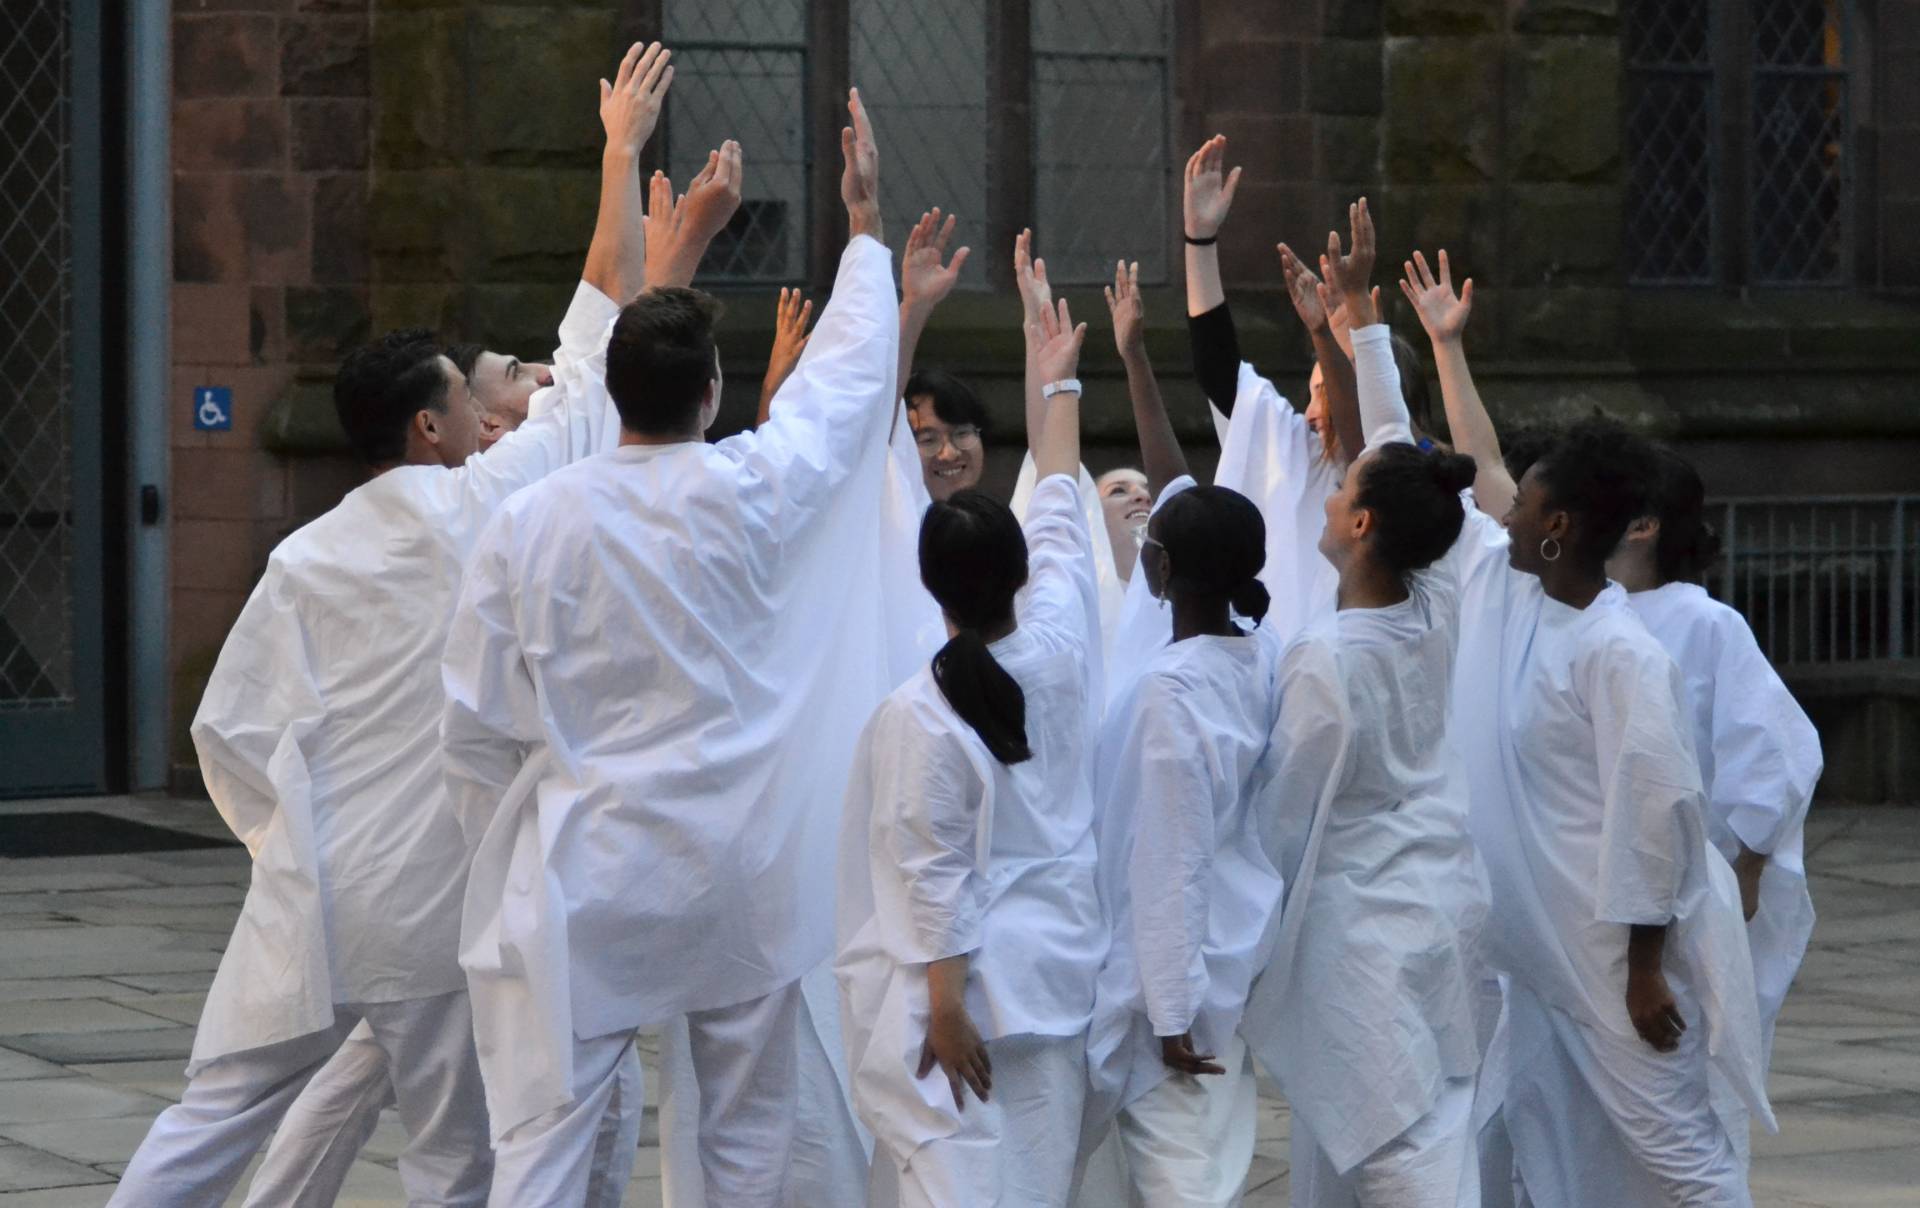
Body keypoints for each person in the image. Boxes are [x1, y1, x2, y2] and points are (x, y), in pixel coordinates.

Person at [108, 42, 675, 1208]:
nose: (486, 412)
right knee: (455, 1158)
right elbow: (592, 340)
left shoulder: (301, 554)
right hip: (430, 907)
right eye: (469, 400)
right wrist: (617, 152)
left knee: (214, 1112)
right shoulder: (476, 508)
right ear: (429, 428)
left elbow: (231, 730)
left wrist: (288, 845)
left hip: (320, 897)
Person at [441, 89, 900, 1207]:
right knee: (745, 1137)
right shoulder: (753, 484)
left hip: (597, 850)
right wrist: (865, 228)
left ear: (612, 395)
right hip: (740, 856)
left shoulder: (533, 518)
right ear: (713, 394)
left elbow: (481, 708)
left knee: (549, 1135)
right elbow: (840, 393)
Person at [1400, 248, 1773, 1206]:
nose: (1507, 510)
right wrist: (1447, 347)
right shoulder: (1519, 596)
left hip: (1615, 964)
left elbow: (1659, 811)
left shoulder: (1621, 653)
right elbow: (1477, 465)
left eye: (1526, 503)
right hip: (1541, 957)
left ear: (1559, 526)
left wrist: (1645, 968)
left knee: (1680, 1155)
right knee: (1544, 1149)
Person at [1242, 200, 1489, 1208]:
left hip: (1362, 927)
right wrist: (1360, 323)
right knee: (1343, 1157)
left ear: (1364, 523)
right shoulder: (1440, 599)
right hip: (1445, 894)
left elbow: (1284, 818)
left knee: (1405, 1152)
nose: (1330, 488)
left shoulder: (1324, 658)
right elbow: (1393, 438)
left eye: (1343, 488)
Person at [836, 294, 1103, 1207]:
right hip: (1060, 972)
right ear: (1021, 574)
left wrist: (945, 1008)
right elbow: (1062, 496)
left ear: (931, 587)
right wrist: (1057, 375)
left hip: (971, 997)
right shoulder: (1064, 640)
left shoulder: (923, 708)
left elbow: (934, 870)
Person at [1082, 482, 1289, 1208]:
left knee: (1182, 1181)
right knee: (1207, 1164)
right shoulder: (1263, 654)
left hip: (1166, 991)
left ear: (1162, 572)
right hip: (1225, 957)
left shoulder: (1171, 693)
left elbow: (1174, 856)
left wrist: (1169, 1012)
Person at [1608, 449, 1822, 1150]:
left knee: (1684, 1092)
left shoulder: (1705, 625)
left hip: (1684, 891)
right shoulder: (1580, 614)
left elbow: (1778, 752)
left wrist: (1747, 867)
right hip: (1592, 888)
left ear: (1641, 524)